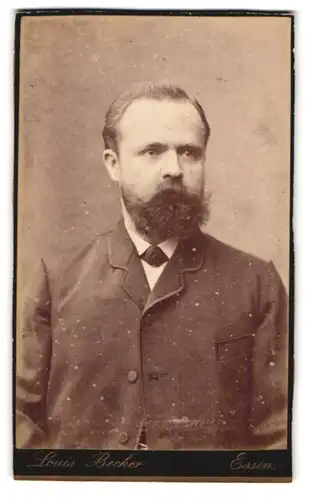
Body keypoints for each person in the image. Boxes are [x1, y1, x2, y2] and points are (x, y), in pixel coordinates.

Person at [16, 82, 289, 450]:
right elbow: (17, 421)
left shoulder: (257, 283)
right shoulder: (57, 279)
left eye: (190, 153)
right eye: (152, 151)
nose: (174, 169)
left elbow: (281, 433)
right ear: (113, 165)